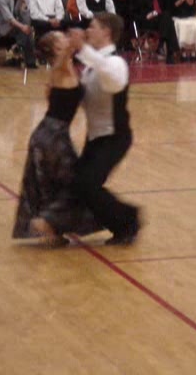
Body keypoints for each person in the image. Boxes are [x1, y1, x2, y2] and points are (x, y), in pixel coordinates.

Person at [13, 31, 100, 245]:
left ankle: (53, 230)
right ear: (56, 49)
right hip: (50, 136)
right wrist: (73, 44)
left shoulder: (68, 68)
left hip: (53, 133)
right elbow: (62, 60)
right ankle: (47, 224)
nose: (67, 38)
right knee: (71, 181)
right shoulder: (59, 67)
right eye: (62, 38)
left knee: (55, 184)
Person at [70, 13, 141, 245]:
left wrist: (83, 49)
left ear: (106, 32)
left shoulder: (116, 63)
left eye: (93, 27)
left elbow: (111, 78)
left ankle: (128, 220)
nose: (88, 31)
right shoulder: (91, 67)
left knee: (88, 184)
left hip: (115, 137)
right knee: (79, 183)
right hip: (96, 137)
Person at [132, 0, 180, 64]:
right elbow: (134, 14)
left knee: (167, 17)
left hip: (160, 22)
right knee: (168, 20)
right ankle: (170, 50)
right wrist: (146, 16)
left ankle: (164, 46)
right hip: (146, 21)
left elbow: (168, 9)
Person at [0, 0, 36, 68]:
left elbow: (27, 18)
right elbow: (9, 18)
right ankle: (29, 60)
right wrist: (23, 27)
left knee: (28, 29)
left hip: (19, 26)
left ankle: (18, 48)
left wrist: (24, 3)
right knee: (26, 31)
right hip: (6, 26)